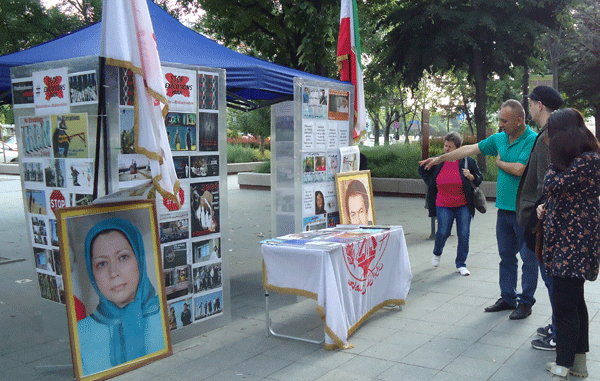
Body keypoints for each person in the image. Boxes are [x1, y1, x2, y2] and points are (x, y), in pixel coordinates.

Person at [420, 99, 538, 319]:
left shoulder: (532, 140)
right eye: (500, 119)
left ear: (519, 120)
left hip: (524, 211)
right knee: (506, 256)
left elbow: (520, 169)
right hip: (503, 209)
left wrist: (500, 163)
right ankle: (508, 297)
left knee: (528, 259)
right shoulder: (500, 139)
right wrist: (441, 159)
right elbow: (469, 149)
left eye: (504, 120)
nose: (500, 124)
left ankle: (526, 302)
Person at [538, 109, 599, 380]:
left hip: (572, 249)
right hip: (569, 246)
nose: (549, 141)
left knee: (563, 308)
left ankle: (563, 364)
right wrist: (544, 209)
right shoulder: (583, 161)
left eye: (551, 135)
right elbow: (562, 195)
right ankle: (578, 364)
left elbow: (552, 181)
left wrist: (554, 167)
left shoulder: (588, 161)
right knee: (575, 305)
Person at [77, 218, 165, 376]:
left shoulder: (167, 313)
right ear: (92, 273)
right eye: (102, 264)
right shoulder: (80, 333)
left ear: (139, 260)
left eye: (123, 257)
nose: (113, 272)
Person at [516, 86, 564, 350]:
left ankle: (559, 331)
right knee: (549, 276)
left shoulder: (549, 136)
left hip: (540, 217)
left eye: (531, 103)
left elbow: (549, 178)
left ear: (540, 105)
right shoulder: (548, 133)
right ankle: (557, 325)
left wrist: (539, 213)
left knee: (550, 277)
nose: (530, 108)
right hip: (539, 214)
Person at [418, 132, 483, 276]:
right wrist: (432, 183)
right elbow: (422, 169)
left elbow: (479, 178)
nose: (446, 149)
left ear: (458, 149)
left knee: (464, 234)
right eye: (445, 146)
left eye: (450, 147)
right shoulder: (439, 161)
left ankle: (461, 264)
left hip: (463, 204)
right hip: (443, 203)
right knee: (442, 232)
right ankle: (437, 252)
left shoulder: (468, 161)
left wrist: (471, 176)